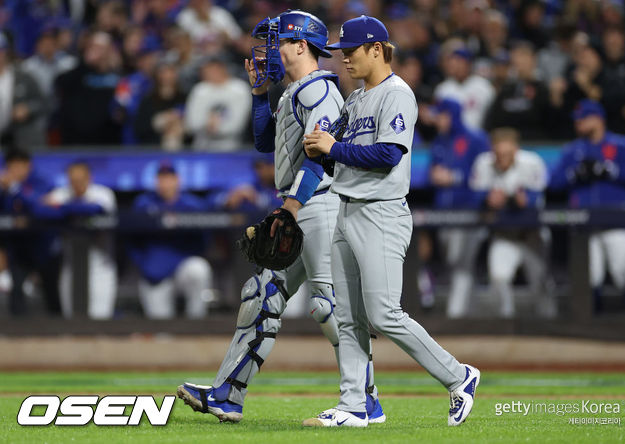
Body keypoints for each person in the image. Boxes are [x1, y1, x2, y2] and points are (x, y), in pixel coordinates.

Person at [177, 10, 385, 425]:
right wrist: (259, 95)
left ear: (300, 45)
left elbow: (320, 158)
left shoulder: (319, 92)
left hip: (319, 204)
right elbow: (263, 142)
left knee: (330, 307)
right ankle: (227, 394)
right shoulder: (294, 91)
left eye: (277, 41)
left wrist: (290, 210)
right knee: (261, 297)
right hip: (300, 204)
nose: (270, 49)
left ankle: (365, 401)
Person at [302, 15, 479, 428]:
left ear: (377, 49)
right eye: (343, 52)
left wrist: (333, 147)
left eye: (351, 51)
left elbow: (388, 156)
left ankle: (459, 375)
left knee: (383, 314)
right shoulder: (356, 98)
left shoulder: (397, 94)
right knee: (347, 317)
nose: (344, 59)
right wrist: (320, 149)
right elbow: (339, 155)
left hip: (380, 212)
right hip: (346, 209)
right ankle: (354, 405)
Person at [549, 99, 625, 313]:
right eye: (577, 120)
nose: (578, 124)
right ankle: (591, 332)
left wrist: (610, 170)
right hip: (583, 225)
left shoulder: (620, 144)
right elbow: (553, 182)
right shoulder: (572, 149)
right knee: (590, 279)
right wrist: (575, 174)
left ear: (598, 119)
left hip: (615, 219)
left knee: (624, 273)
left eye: (583, 119)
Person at [470, 128, 554, 318]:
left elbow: (537, 195)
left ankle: (550, 324)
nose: (503, 158)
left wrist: (523, 200)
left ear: (516, 150)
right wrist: (486, 199)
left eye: (507, 154)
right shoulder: (484, 163)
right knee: (499, 277)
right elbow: (475, 196)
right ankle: (506, 321)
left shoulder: (531, 162)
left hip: (532, 234)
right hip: (504, 235)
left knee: (540, 282)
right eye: (499, 154)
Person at [427, 98, 489, 317]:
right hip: (444, 213)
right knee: (456, 264)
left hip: (470, 212)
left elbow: (484, 176)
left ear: (452, 115)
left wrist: (453, 177)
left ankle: (456, 315)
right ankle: (473, 312)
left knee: (461, 262)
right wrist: (435, 176)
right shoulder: (439, 141)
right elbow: (431, 173)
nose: (437, 120)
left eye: (441, 115)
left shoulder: (476, 139)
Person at [129, 164, 212, 319]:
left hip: (182, 268)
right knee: (161, 331)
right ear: (156, 181)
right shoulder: (143, 203)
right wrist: (144, 264)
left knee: (199, 269)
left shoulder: (193, 204)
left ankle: (196, 322)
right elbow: (132, 240)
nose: (165, 183)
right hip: (154, 273)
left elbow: (205, 238)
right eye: (162, 178)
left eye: (169, 178)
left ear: (177, 180)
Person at [43, 161, 117, 319]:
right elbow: (40, 209)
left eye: (81, 179)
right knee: (72, 319)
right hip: (71, 264)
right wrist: (69, 208)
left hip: (100, 264)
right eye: (73, 180)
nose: (77, 184)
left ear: (89, 178)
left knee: (100, 318)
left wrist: (63, 209)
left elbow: (97, 209)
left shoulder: (103, 193)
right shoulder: (61, 193)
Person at [0, 149, 60, 316]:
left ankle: (60, 330)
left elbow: (38, 206)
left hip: (44, 247)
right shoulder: (4, 186)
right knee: (16, 290)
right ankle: (18, 335)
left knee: (51, 292)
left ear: (29, 166)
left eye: (21, 166)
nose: (16, 171)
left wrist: (14, 188)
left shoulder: (41, 182)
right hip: (18, 248)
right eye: (12, 167)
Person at [184, 55, 251, 151]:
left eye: (211, 69)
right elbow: (192, 123)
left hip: (232, 148)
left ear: (222, 68)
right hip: (201, 147)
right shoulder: (199, 90)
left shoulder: (239, 89)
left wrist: (216, 127)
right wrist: (207, 125)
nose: (205, 73)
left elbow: (237, 125)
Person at [434, 46, 495, 130]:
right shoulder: (443, 89)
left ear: (469, 64)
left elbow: (493, 113)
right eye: (453, 63)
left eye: (460, 62)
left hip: (479, 135)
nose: (456, 66)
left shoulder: (483, 86)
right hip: (453, 138)